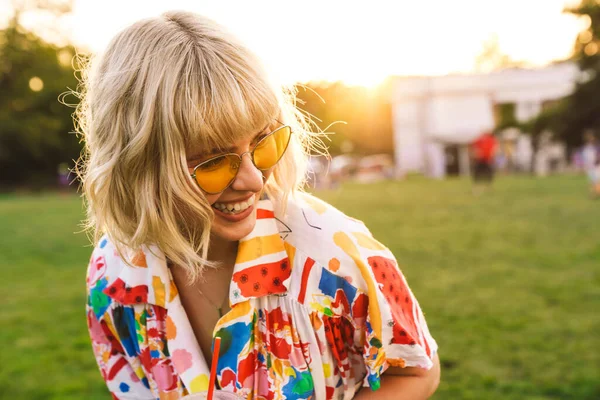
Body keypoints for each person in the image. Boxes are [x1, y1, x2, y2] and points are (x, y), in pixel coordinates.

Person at [78, 11, 439, 400]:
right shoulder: (113, 276)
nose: (252, 179)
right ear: (138, 164)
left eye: (262, 142)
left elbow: (416, 369)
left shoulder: (332, 251)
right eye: (213, 160)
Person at [582, 130, 600, 198]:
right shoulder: (587, 147)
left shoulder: (596, 146)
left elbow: (598, 156)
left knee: (596, 181)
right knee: (592, 181)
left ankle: (595, 194)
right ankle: (592, 194)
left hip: (596, 166)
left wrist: (597, 161)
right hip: (590, 167)